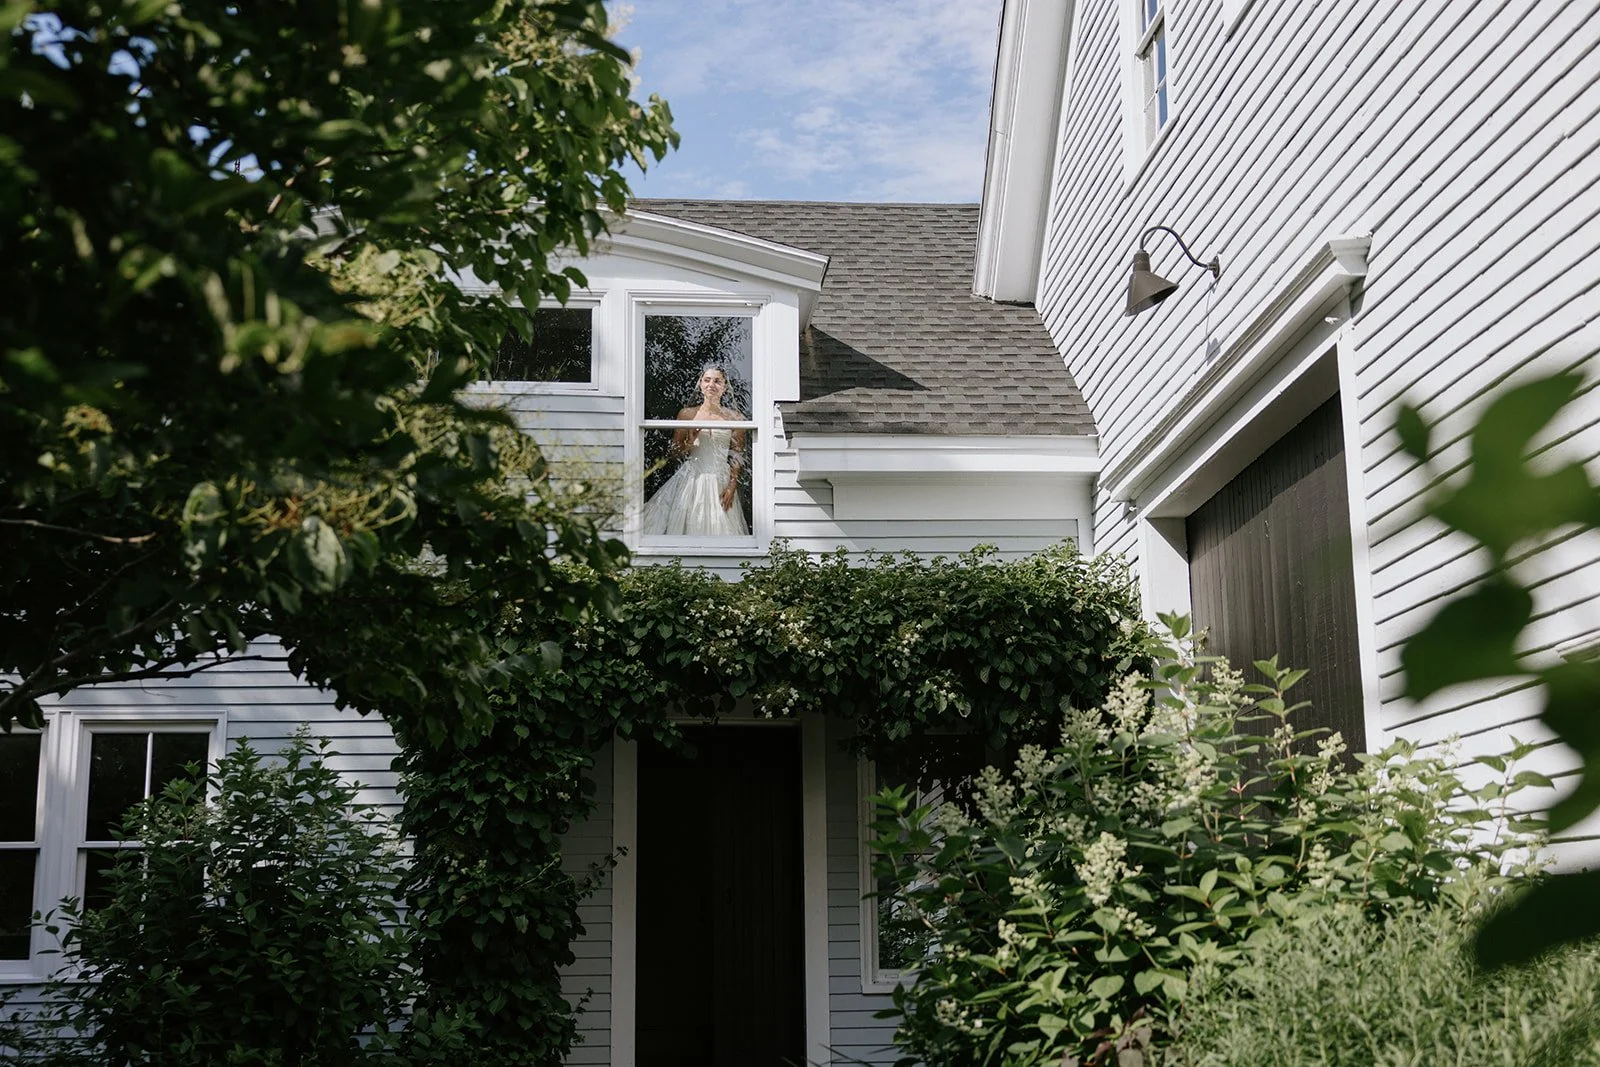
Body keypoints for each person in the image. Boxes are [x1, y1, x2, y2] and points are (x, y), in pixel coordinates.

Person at [640, 364, 748, 536]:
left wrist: (732, 485)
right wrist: (689, 443)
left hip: (721, 479)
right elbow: (674, 453)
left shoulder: (735, 418)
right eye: (707, 380)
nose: (711, 385)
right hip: (692, 477)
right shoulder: (687, 414)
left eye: (717, 381)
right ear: (700, 384)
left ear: (725, 387)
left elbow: (738, 454)